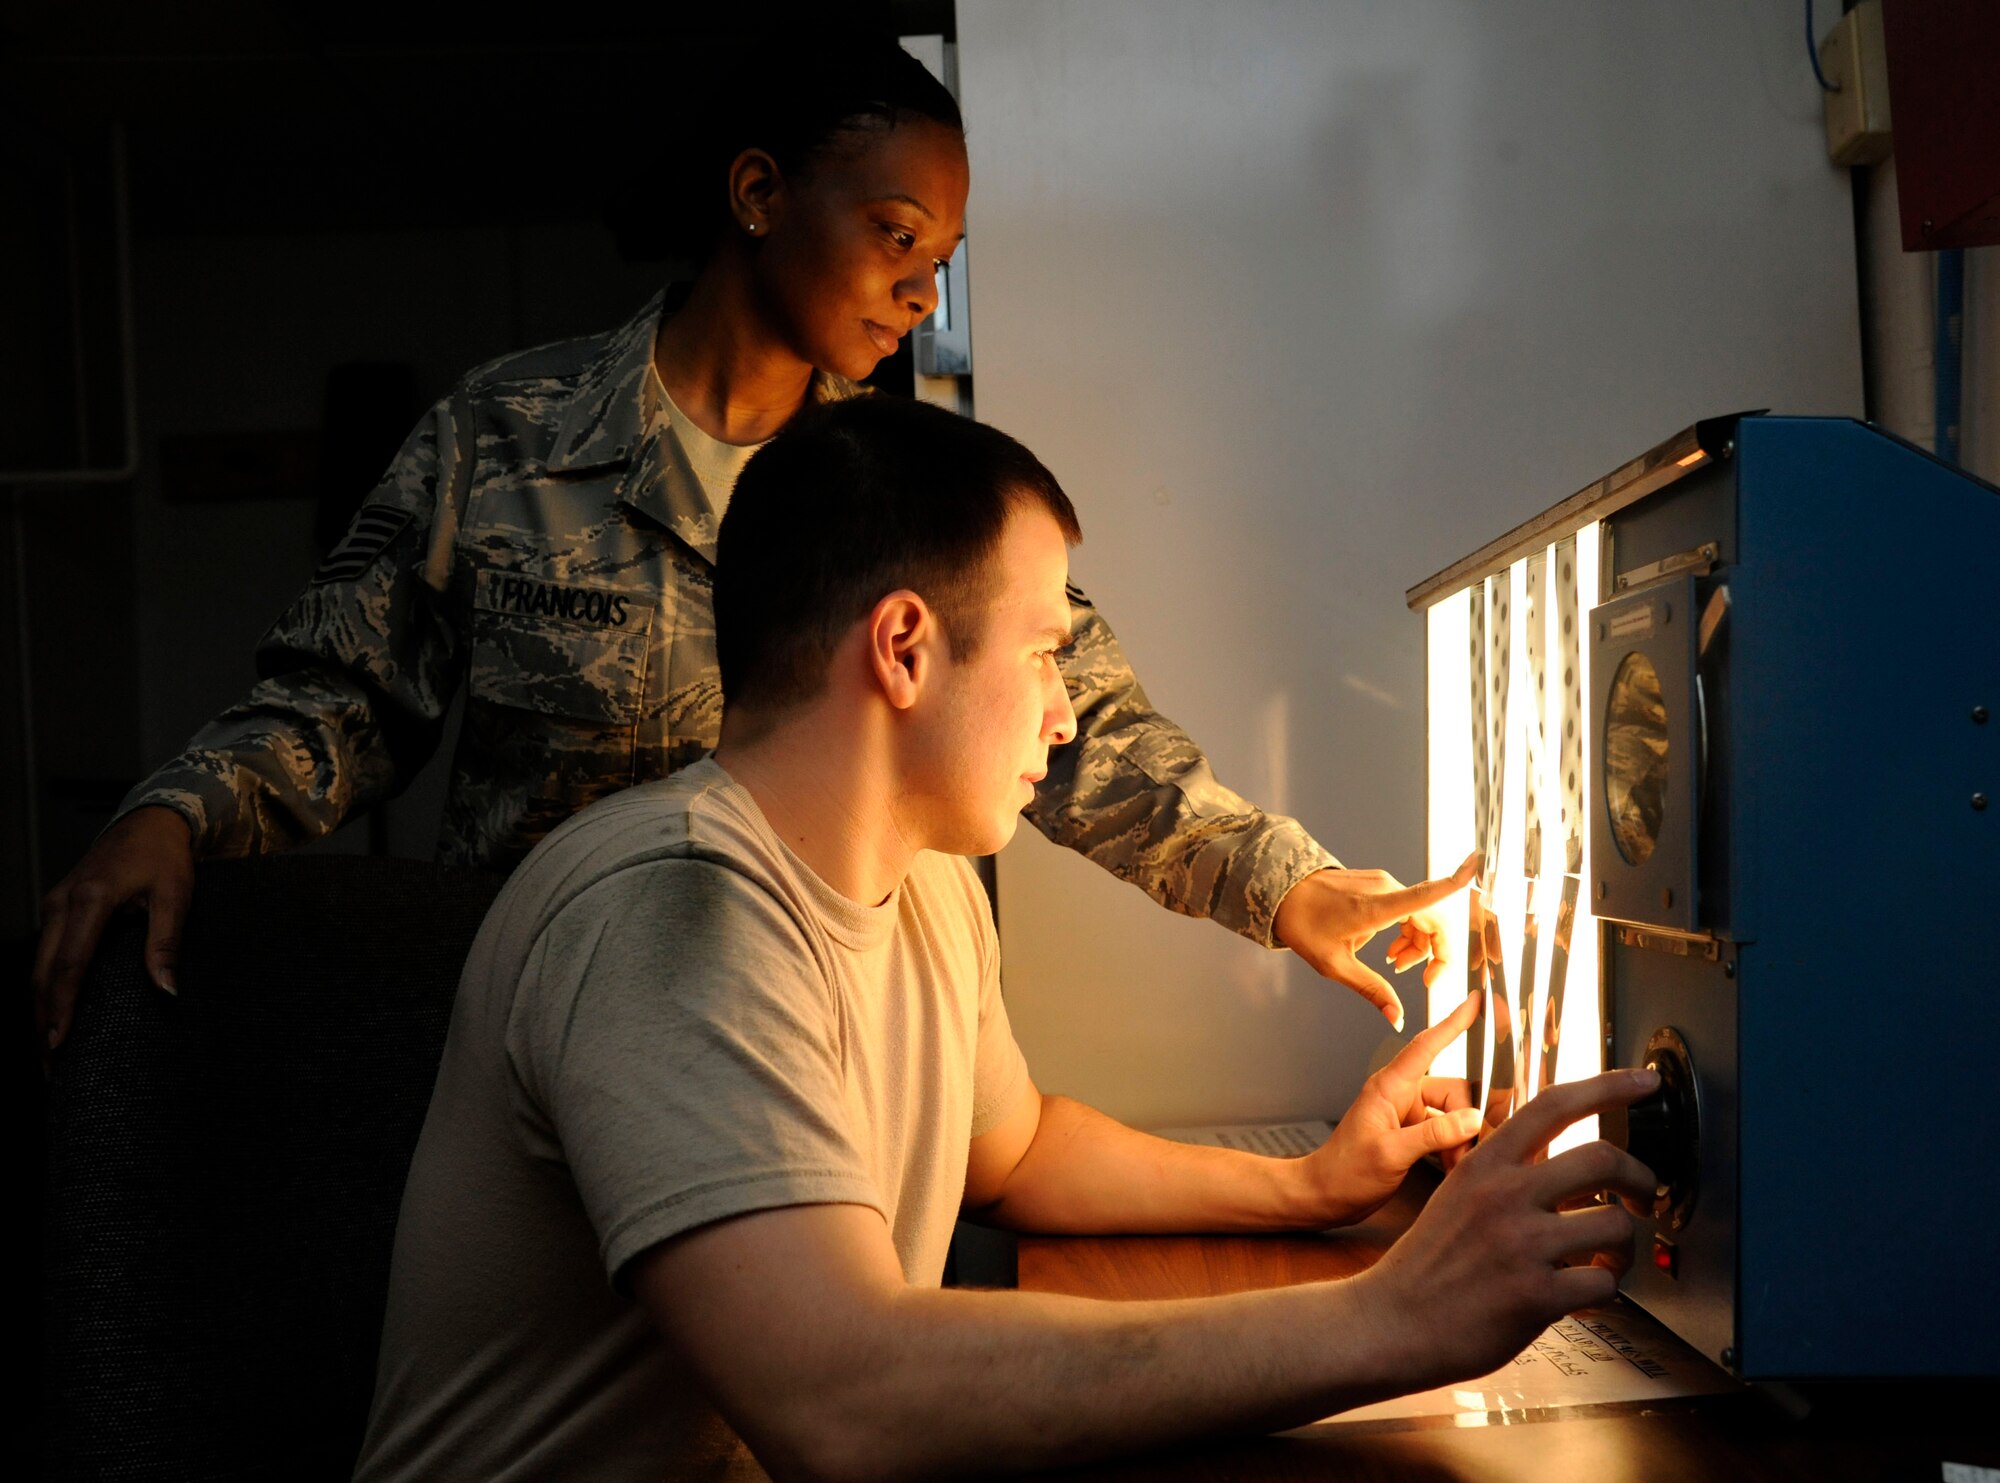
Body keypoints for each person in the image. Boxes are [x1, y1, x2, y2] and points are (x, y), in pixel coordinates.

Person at [33, 33, 1462, 1049]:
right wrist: (175, 813)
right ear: (762, 195)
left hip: (811, 1058)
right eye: (895, 234)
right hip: (538, 1049)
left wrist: (1289, 885)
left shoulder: (904, 490)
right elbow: (338, 700)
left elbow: (1080, 727)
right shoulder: (508, 437)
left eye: (942, 260)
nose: (921, 290)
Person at [351, 395, 1657, 1480]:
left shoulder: (926, 882)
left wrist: (1310, 1188)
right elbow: (845, 1401)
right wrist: (1392, 1317)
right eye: (1044, 654)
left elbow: (1017, 1151)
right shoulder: (671, 912)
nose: (1064, 715)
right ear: (904, 648)